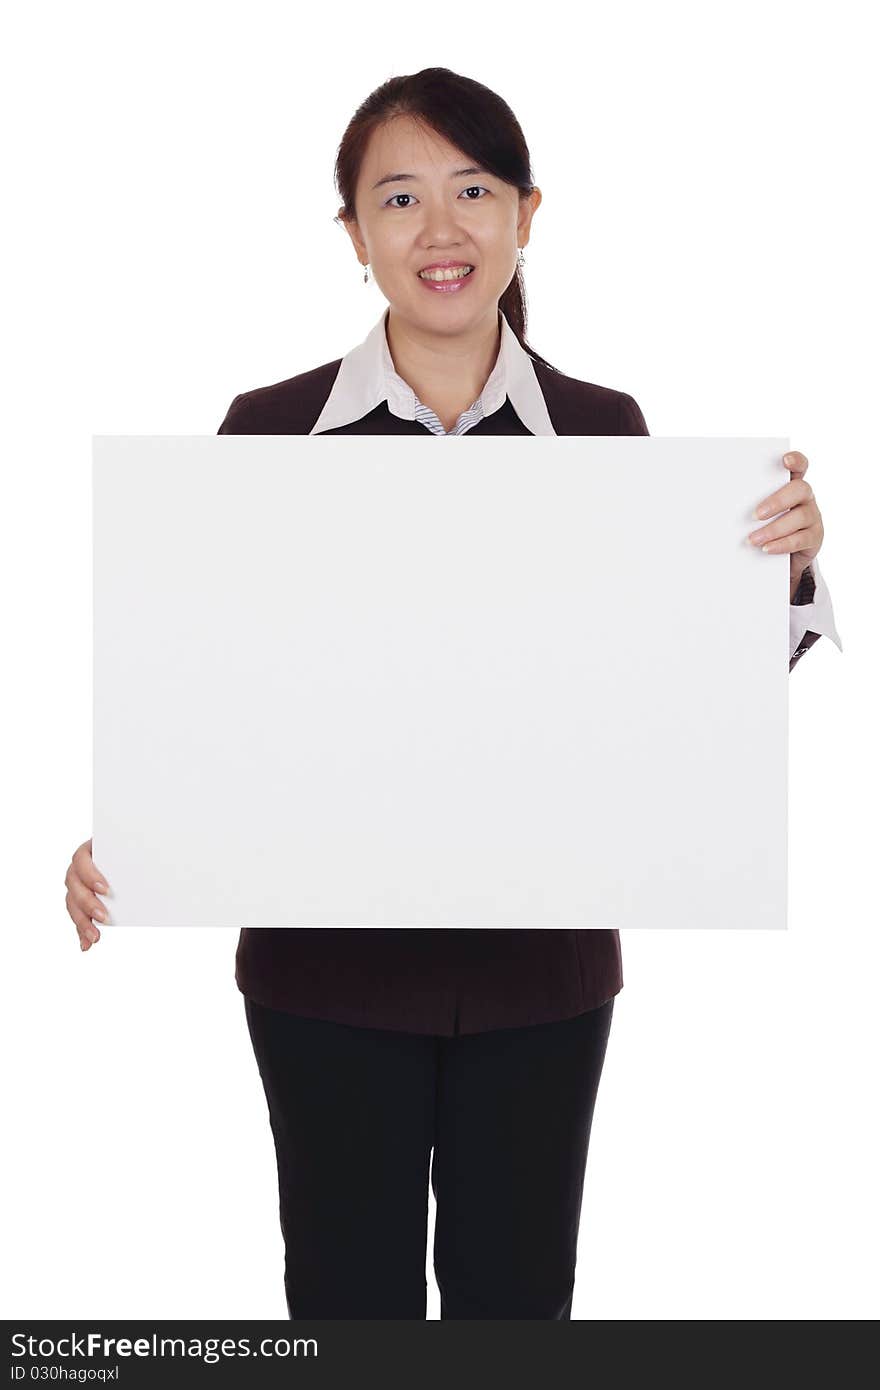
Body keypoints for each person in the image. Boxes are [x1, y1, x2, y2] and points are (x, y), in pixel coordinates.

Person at [64, 67, 842, 1319]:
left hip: (544, 974)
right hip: (325, 977)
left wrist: (782, 570)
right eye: (401, 197)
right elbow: (217, 687)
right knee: (341, 1298)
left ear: (526, 215)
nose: (442, 231)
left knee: (518, 1303)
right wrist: (138, 830)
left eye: (473, 191)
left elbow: (662, 701)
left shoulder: (602, 430)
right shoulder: (266, 433)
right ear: (354, 234)